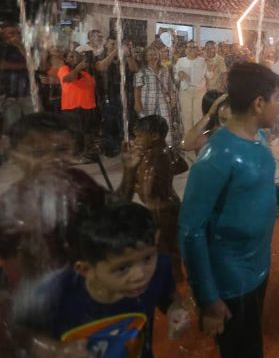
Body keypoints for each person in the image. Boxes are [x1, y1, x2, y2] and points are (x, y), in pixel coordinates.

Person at [178, 62, 279, 358]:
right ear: (259, 103)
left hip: (257, 269)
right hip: (230, 281)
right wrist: (208, 298)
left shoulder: (257, 140)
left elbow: (255, 191)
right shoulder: (217, 156)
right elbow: (190, 230)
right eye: (276, 99)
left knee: (251, 344)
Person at [13, 202, 190, 357]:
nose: (140, 275)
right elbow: (19, 335)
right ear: (85, 269)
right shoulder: (52, 293)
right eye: (122, 268)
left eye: (147, 258)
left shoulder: (160, 267)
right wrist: (55, 351)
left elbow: (169, 297)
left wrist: (175, 311)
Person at [0, 113, 106, 279]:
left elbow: (109, 216)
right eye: (38, 153)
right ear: (15, 156)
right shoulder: (12, 203)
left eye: (62, 149)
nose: (53, 159)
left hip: (86, 279)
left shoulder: (80, 181)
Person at [117, 115, 184, 283]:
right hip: (170, 206)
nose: (136, 140)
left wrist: (137, 180)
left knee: (165, 249)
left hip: (161, 211)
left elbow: (149, 189)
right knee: (171, 248)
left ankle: (174, 285)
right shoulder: (164, 151)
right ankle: (176, 281)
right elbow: (183, 164)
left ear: (154, 136)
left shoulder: (153, 157)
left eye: (140, 136)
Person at [95, 38, 139, 157]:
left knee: (126, 122)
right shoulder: (101, 56)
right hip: (108, 95)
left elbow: (134, 69)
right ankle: (110, 149)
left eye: (117, 44)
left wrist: (128, 54)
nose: (116, 46)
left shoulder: (126, 57)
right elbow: (101, 67)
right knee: (109, 123)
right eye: (113, 44)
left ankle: (125, 147)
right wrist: (115, 51)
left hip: (126, 95)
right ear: (106, 45)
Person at [57, 50, 97, 157]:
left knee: (87, 132)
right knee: (75, 133)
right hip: (72, 106)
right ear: (65, 59)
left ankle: (86, 153)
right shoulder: (63, 69)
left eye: (76, 56)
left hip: (88, 106)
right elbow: (67, 79)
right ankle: (75, 156)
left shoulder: (85, 73)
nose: (74, 58)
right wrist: (78, 68)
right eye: (71, 56)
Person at [134, 46, 176, 144]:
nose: (153, 57)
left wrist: (173, 99)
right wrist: (137, 103)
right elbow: (137, 89)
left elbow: (169, 85)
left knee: (166, 123)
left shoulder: (164, 70)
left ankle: (167, 147)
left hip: (163, 100)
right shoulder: (141, 72)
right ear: (145, 57)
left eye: (155, 54)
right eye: (150, 55)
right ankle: (147, 146)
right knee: (147, 125)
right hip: (147, 102)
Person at [0, 23, 33, 133]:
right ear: (3, 34)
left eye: (17, 33)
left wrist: (20, 46)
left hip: (26, 91)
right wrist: (24, 66)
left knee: (31, 124)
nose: (14, 36)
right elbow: (2, 64)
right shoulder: (2, 47)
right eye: (11, 33)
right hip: (8, 94)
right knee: (13, 125)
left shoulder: (24, 46)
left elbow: (33, 63)